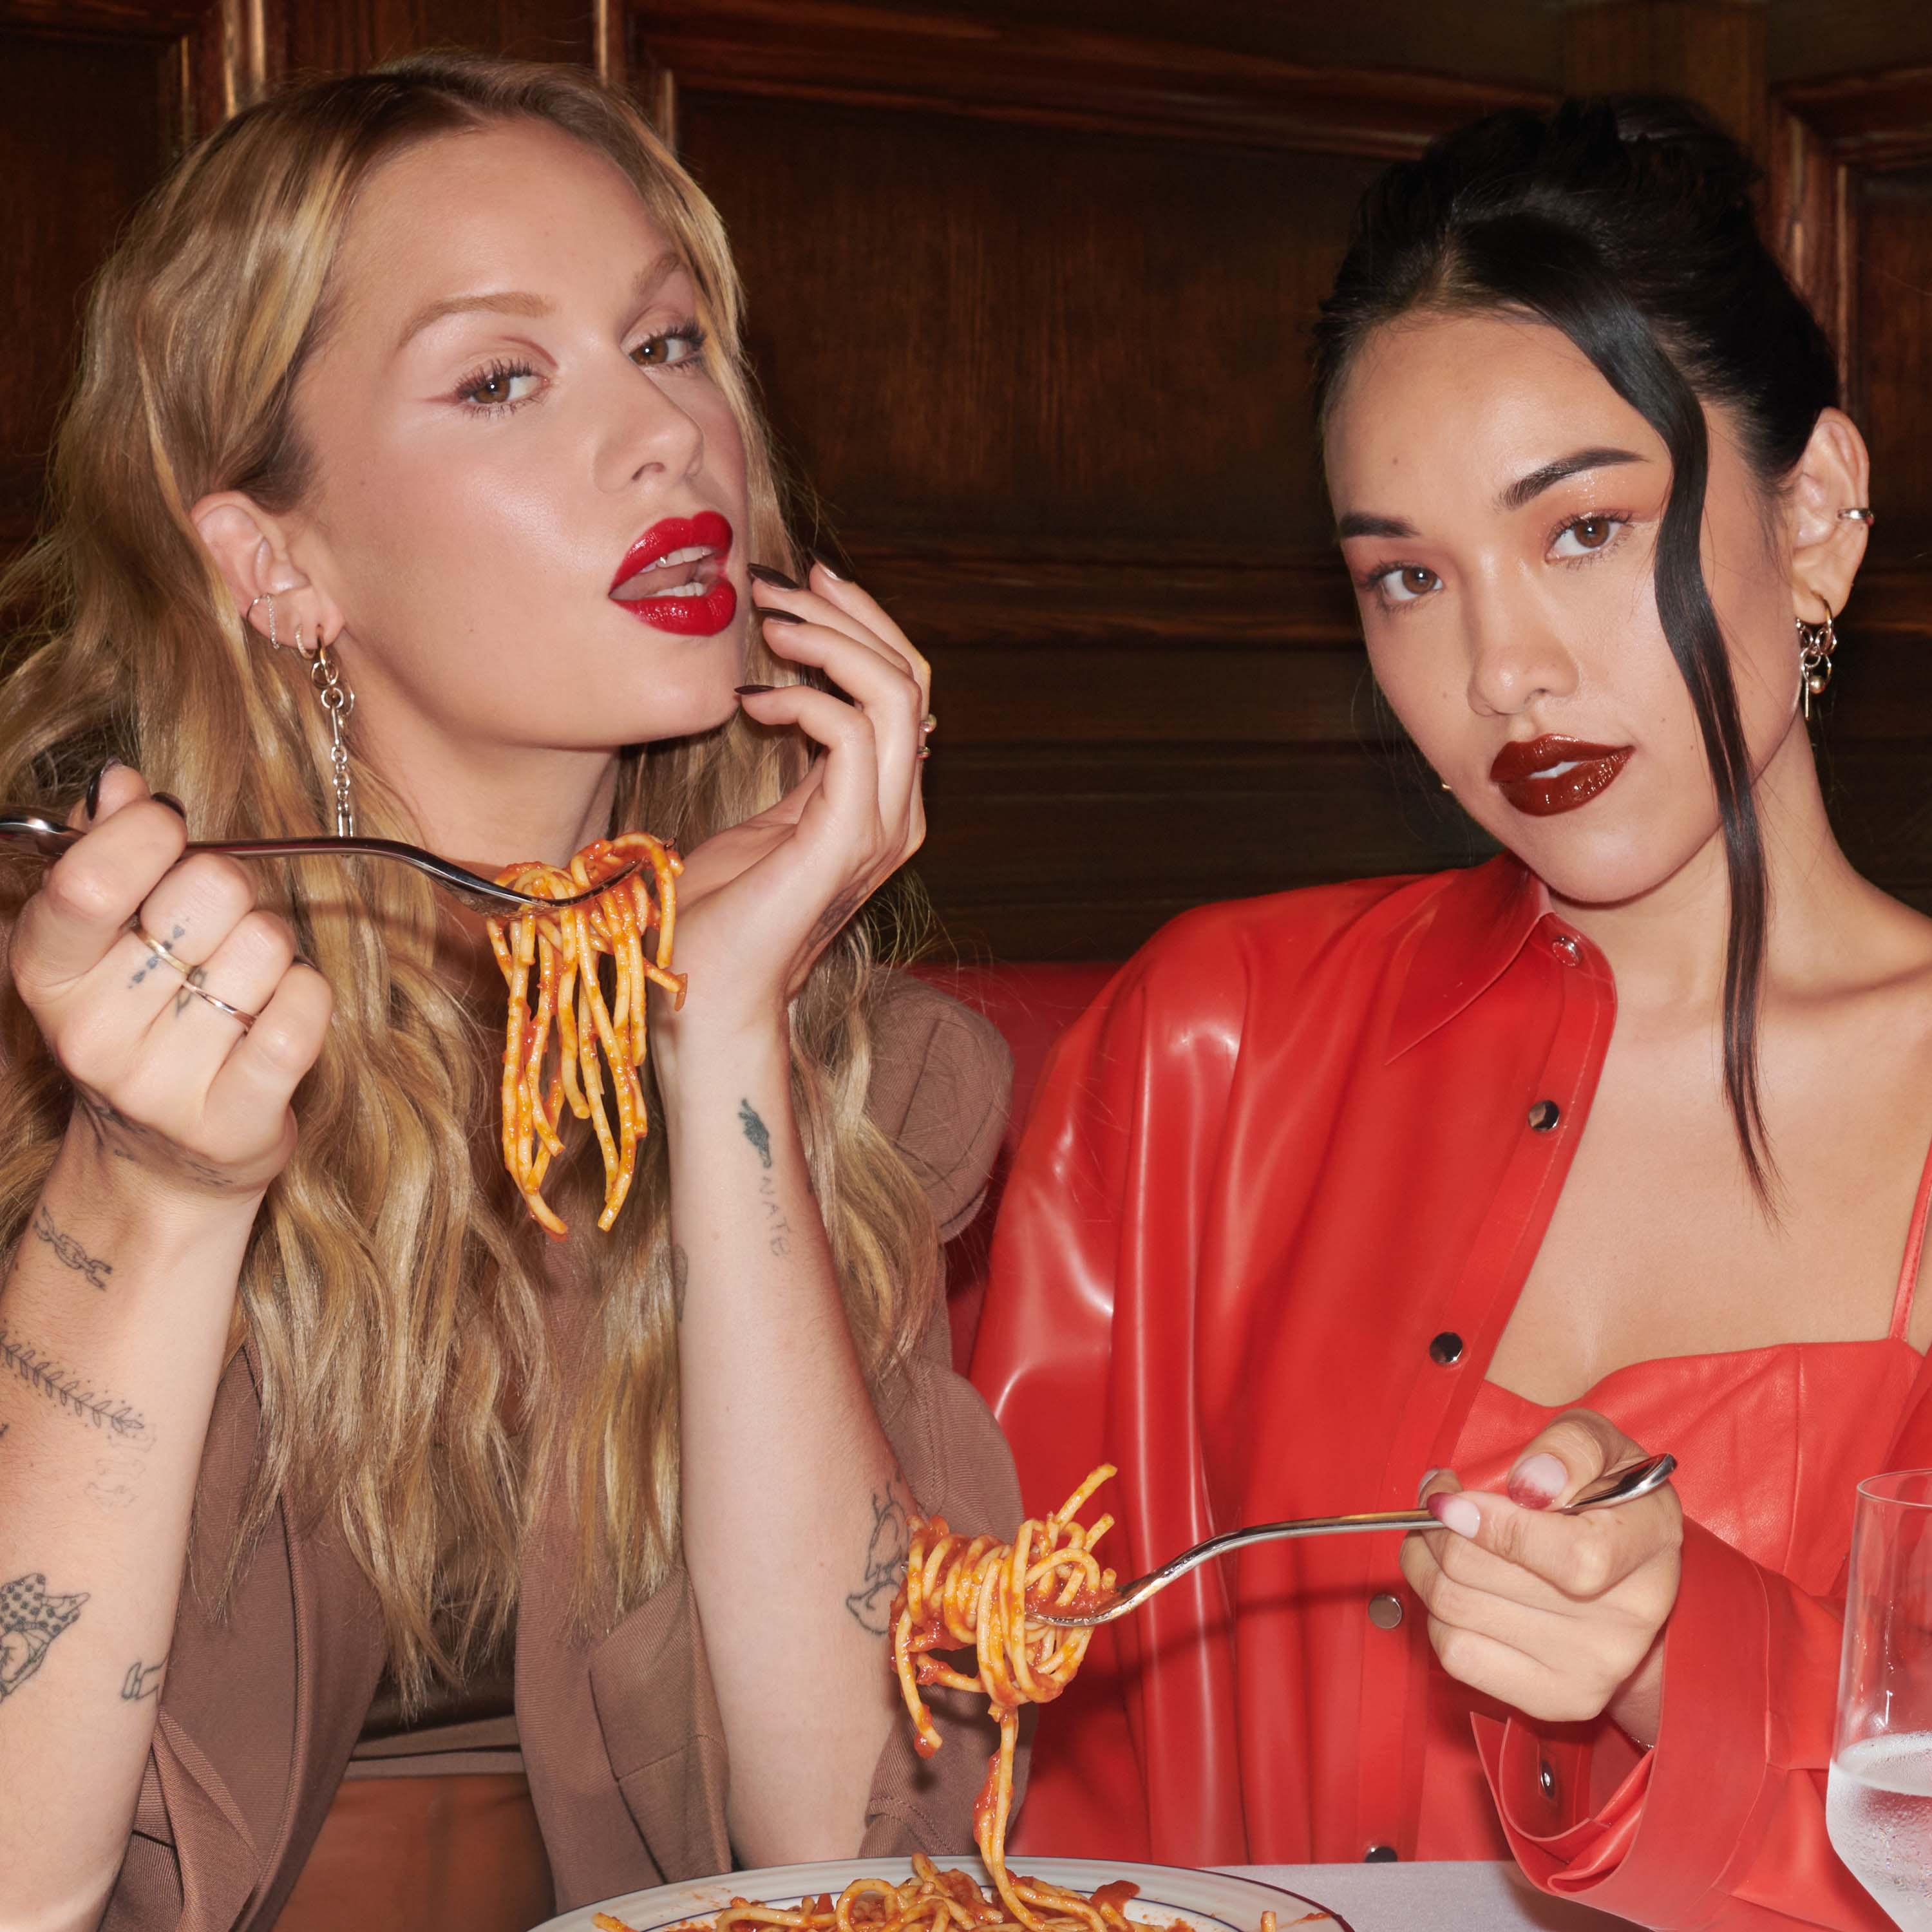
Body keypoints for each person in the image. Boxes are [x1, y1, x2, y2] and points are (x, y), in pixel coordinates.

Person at [0, 53, 1015, 1932]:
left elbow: (854, 1846)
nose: (666, 439)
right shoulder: (60, 1037)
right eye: (500, 380)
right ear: (273, 560)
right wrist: (146, 1194)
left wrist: (724, 1043)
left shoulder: (859, 1065)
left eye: (670, 345)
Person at [972, 96, 1922, 1927]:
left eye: (1584, 529)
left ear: (1812, 517)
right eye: (1409, 578)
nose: (1502, 672)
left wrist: (1694, 1659)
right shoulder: (1205, 1051)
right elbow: (1000, 1753)